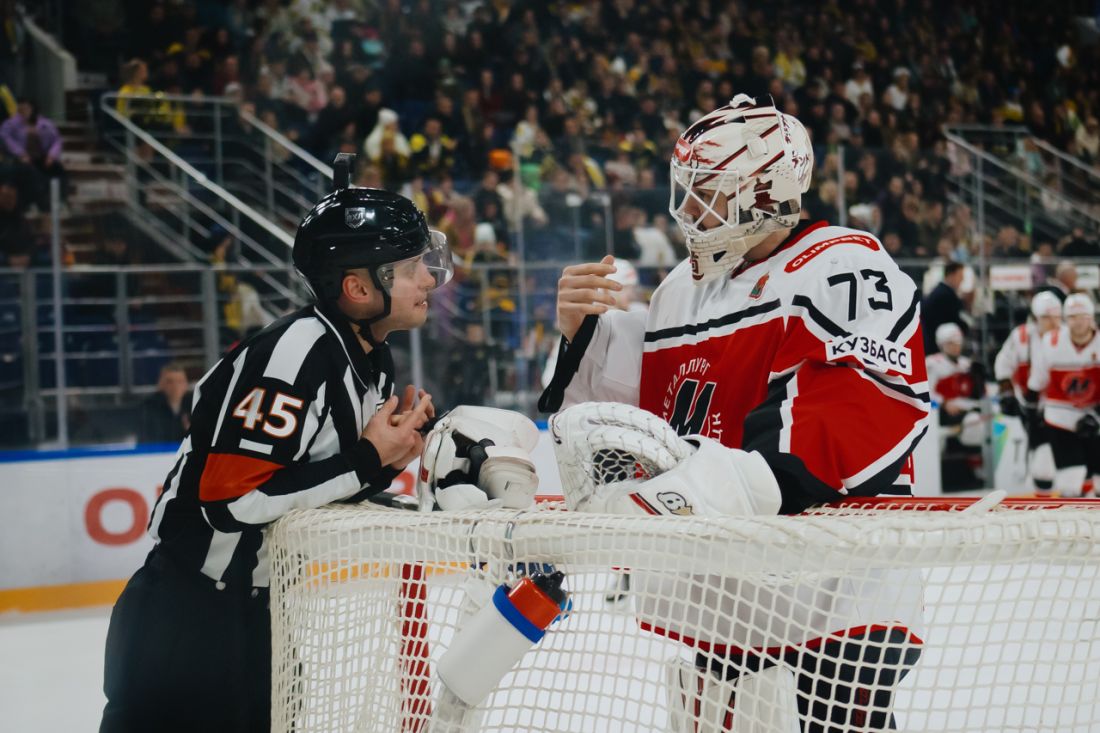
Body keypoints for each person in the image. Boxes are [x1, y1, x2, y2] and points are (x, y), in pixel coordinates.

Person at [541, 94, 929, 732]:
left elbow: (857, 409)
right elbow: (640, 418)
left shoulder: (844, 266)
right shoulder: (679, 290)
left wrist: (704, 490)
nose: (689, 210)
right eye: (688, 191)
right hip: (733, 594)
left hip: (835, 589)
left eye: (709, 193)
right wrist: (582, 333)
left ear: (767, 193)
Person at [100, 154, 453, 732]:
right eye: (412, 267)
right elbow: (230, 500)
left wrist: (386, 460)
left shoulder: (369, 357)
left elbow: (312, 483)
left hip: (258, 613)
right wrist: (366, 460)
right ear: (358, 287)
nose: (430, 280)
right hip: (186, 621)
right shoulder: (293, 356)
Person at [1027, 293, 1100, 499]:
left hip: (1095, 412)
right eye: (1072, 317)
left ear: (1092, 317)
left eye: (1083, 316)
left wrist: (1096, 415)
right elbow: (1037, 381)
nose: (1078, 322)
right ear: (1066, 319)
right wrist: (1032, 411)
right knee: (1070, 484)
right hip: (1061, 415)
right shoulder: (1051, 341)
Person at [993, 291, 1063, 495]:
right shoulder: (1021, 336)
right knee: (1038, 461)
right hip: (1029, 405)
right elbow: (1003, 363)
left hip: (1061, 406)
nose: (1053, 322)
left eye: (1056, 317)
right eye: (1046, 317)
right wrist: (1006, 392)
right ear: (1035, 317)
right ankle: (1041, 497)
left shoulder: (1066, 337)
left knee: (1056, 461)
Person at [138, 363, 192, 443]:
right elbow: (147, 439)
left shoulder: (194, 405)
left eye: (180, 381)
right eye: (170, 382)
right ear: (160, 384)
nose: (175, 386)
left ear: (186, 384)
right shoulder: (148, 407)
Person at [921, 260, 966, 354]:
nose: (962, 280)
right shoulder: (945, 295)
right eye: (960, 276)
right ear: (951, 275)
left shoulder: (943, 292)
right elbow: (951, 319)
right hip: (936, 344)